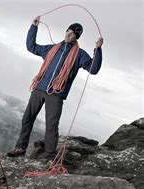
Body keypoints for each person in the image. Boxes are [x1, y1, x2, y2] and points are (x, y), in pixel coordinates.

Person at [7, 16, 103, 161]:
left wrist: (98, 50)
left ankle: (50, 155)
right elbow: (31, 46)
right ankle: (20, 148)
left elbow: (93, 69)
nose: (68, 35)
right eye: (67, 31)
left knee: (52, 125)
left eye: (72, 34)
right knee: (27, 118)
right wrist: (34, 27)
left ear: (76, 37)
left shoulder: (79, 55)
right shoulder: (52, 49)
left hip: (56, 94)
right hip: (39, 89)